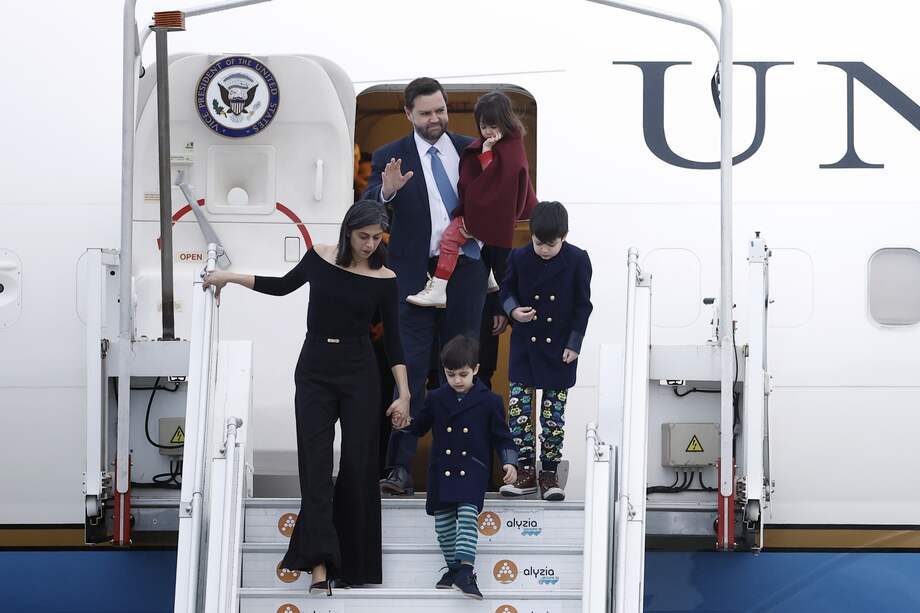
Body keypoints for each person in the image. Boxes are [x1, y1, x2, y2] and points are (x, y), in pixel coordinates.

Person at [201, 200, 411, 594]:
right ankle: (318, 565)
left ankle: (354, 565)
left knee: (358, 464)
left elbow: (395, 344)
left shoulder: (385, 278)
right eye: (363, 236)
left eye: (376, 238)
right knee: (314, 467)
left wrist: (404, 394)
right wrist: (228, 276)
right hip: (314, 368)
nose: (369, 244)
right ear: (348, 231)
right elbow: (281, 286)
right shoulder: (319, 257)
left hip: (361, 371)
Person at [363, 77, 489, 496]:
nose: (435, 119)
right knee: (410, 374)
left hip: (467, 274)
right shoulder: (389, 157)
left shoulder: (473, 149)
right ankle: (398, 468)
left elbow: (506, 205)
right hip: (414, 278)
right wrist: (386, 192)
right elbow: (363, 214)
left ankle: (469, 467)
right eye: (426, 113)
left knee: (464, 371)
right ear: (408, 115)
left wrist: (503, 291)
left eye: (440, 110)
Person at [399, 335, 518, 599]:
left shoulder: (490, 401)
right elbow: (420, 426)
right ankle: (453, 569)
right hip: (442, 470)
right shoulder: (437, 397)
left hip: (472, 470)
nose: (457, 380)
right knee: (443, 527)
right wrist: (404, 424)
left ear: (475, 369)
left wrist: (509, 461)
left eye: (463, 374)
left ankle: (466, 570)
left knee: (466, 518)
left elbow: (502, 436)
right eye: (451, 374)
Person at [498, 201, 593, 501]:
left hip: (560, 348)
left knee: (553, 415)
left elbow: (583, 305)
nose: (544, 249)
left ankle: (549, 472)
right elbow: (505, 290)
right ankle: (524, 470)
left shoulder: (578, 259)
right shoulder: (519, 256)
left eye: (551, 244)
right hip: (525, 344)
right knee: (519, 413)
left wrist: (574, 344)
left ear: (564, 235)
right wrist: (513, 311)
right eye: (539, 243)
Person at [407, 90, 536, 309]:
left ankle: (438, 288)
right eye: (483, 126)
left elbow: (493, 183)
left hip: (485, 214)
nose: (488, 132)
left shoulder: (507, 149)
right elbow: (493, 182)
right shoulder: (510, 144)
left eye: (493, 126)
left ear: (504, 122)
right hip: (490, 215)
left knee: (450, 239)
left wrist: (475, 220)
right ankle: (490, 280)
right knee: (480, 244)